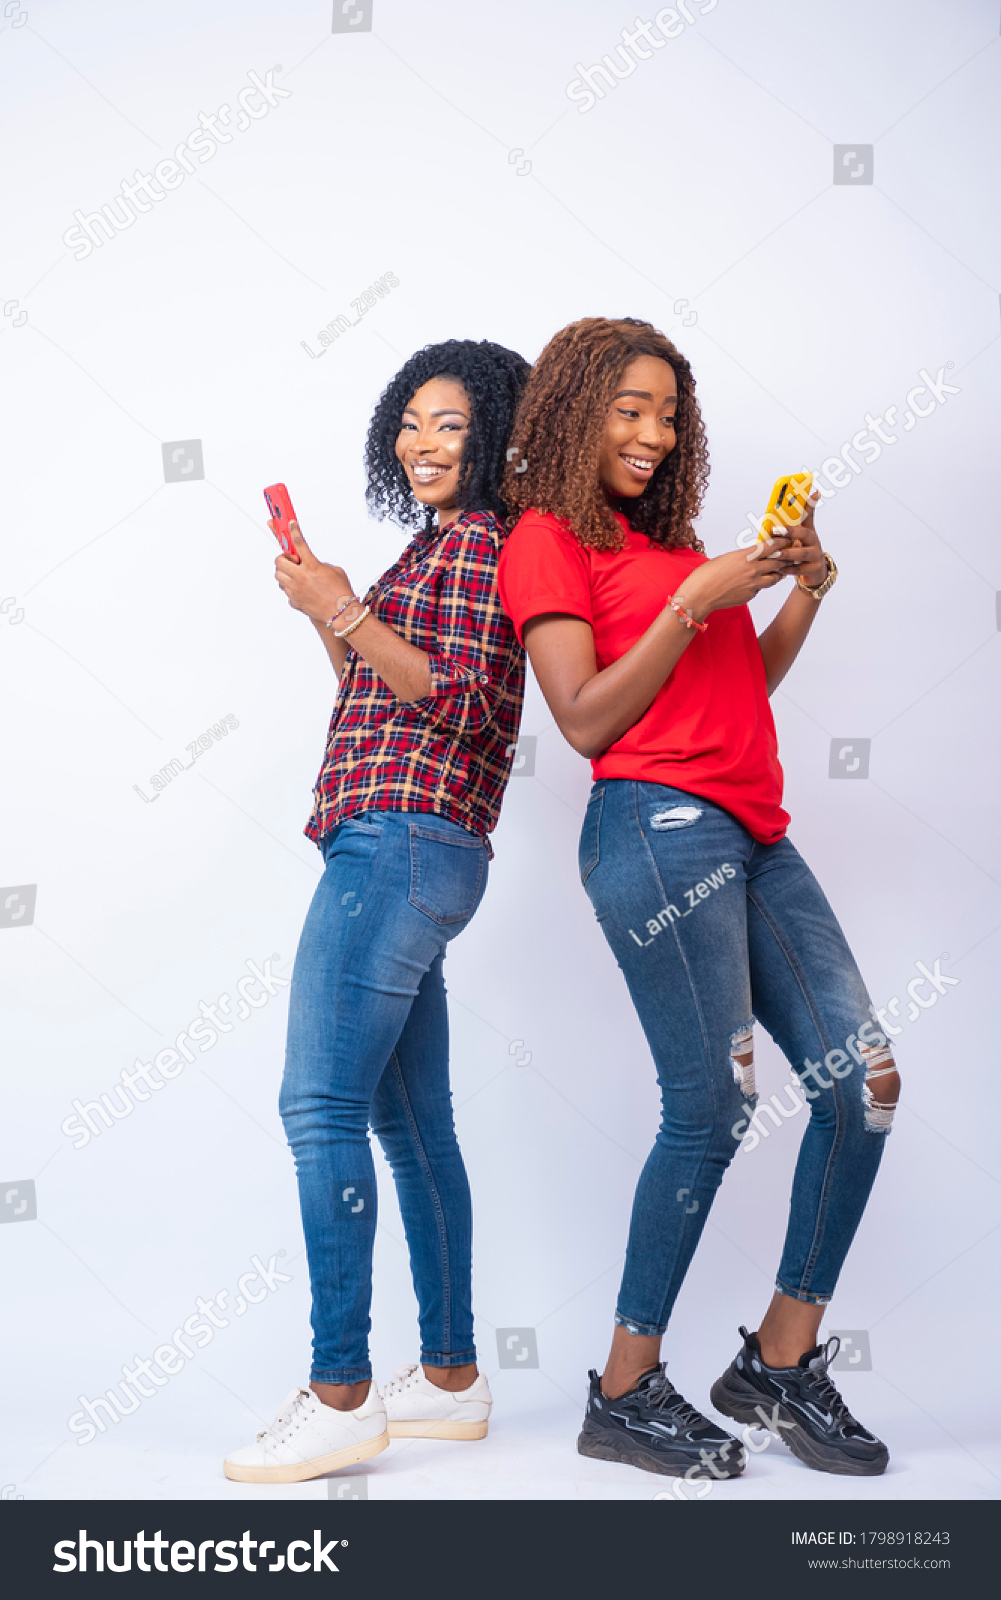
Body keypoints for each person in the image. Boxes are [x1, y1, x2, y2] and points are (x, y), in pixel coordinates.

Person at [497, 317, 898, 1481]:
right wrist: (695, 598)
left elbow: (739, 683)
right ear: (575, 411)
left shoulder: (671, 554)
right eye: (627, 407)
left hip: (756, 834)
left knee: (860, 1082)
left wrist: (799, 586)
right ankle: (622, 1392)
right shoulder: (543, 540)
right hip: (656, 829)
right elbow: (583, 717)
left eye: (668, 413)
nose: (653, 433)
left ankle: (777, 1362)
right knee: (711, 1104)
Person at [224, 339, 529, 1483]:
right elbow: (381, 689)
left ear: (495, 432)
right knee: (410, 1126)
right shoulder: (438, 549)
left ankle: (339, 1389)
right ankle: (449, 1377)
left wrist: (343, 602)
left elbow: (449, 697)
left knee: (318, 1108)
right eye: (408, 423)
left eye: (447, 423)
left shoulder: (486, 544)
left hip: (395, 847)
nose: (419, 441)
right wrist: (327, 605)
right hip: (417, 848)